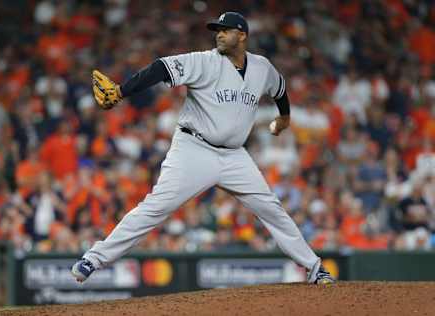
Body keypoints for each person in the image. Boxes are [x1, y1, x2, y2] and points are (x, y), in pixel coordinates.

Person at [72, 12, 334, 285]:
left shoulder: (262, 68)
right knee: (156, 207)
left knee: (271, 209)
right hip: (193, 149)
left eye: (226, 30)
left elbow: (279, 89)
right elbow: (161, 68)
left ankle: (315, 268)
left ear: (242, 35)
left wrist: (285, 117)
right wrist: (122, 91)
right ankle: (94, 258)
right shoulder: (204, 61)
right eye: (217, 30)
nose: (219, 34)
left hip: (234, 156)